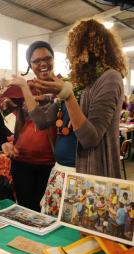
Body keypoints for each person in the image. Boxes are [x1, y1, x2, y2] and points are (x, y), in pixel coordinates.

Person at [30, 19, 127, 178]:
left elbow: (90, 138)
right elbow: (43, 121)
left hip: (87, 174)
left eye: (74, 46)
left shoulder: (110, 78)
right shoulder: (78, 83)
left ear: (86, 47)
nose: (70, 53)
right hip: (61, 170)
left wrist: (68, 96)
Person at [1, 41, 57, 212]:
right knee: (25, 210)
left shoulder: (62, 87)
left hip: (51, 163)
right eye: (36, 61)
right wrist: (4, 141)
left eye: (47, 58)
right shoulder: (21, 88)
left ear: (54, 59)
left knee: (46, 214)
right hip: (21, 161)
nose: (42, 64)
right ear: (30, 65)